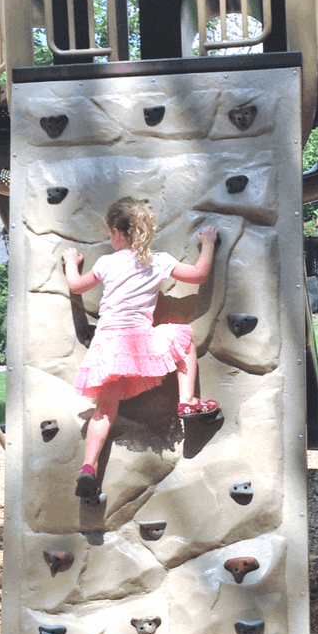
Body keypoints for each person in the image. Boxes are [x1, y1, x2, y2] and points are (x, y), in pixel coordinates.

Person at [62, 196, 219, 498]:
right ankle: (187, 399)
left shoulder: (106, 262)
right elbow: (199, 274)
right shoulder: (158, 261)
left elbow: (76, 286)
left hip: (108, 345)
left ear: (116, 234)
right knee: (183, 334)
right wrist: (208, 243)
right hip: (138, 342)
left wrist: (71, 264)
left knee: (103, 411)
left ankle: (88, 467)